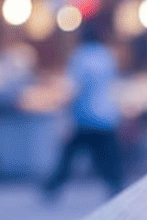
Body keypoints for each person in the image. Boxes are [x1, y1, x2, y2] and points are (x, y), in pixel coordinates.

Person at [43, 21, 123, 200]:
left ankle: (52, 186)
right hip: (106, 115)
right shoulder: (106, 55)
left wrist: (65, 106)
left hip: (85, 116)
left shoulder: (80, 56)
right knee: (107, 157)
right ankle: (116, 186)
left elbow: (75, 87)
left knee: (68, 156)